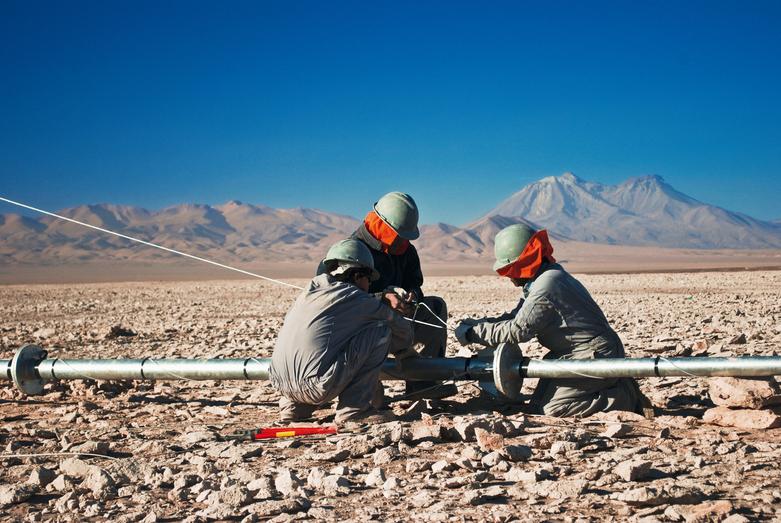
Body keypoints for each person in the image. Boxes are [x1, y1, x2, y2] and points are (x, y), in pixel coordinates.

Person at [454, 223, 651, 417]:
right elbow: (516, 316)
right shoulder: (546, 277)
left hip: (594, 354)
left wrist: (472, 334)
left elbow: (518, 330)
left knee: (553, 409)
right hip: (576, 353)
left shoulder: (546, 286)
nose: (509, 278)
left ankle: (626, 397)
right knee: (536, 405)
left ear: (523, 263)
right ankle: (613, 382)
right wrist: (479, 324)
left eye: (509, 270)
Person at [269, 239, 413, 424]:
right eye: (368, 279)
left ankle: (293, 409)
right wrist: (404, 351)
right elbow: (401, 331)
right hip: (316, 388)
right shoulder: (356, 298)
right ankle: (354, 412)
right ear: (358, 275)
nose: (369, 285)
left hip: (280, 385)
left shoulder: (308, 293)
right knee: (380, 331)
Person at [350, 191, 457, 400]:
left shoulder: (406, 251)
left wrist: (412, 297)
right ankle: (363, 390)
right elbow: (339, 301)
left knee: (435, 307)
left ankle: (423, 383)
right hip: (364, 330)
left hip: (398, 322)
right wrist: (382, 298)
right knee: (372, 405)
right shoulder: (352, 250)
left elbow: (415, 284)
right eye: (398, 235)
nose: (402, 241)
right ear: (383, 225)